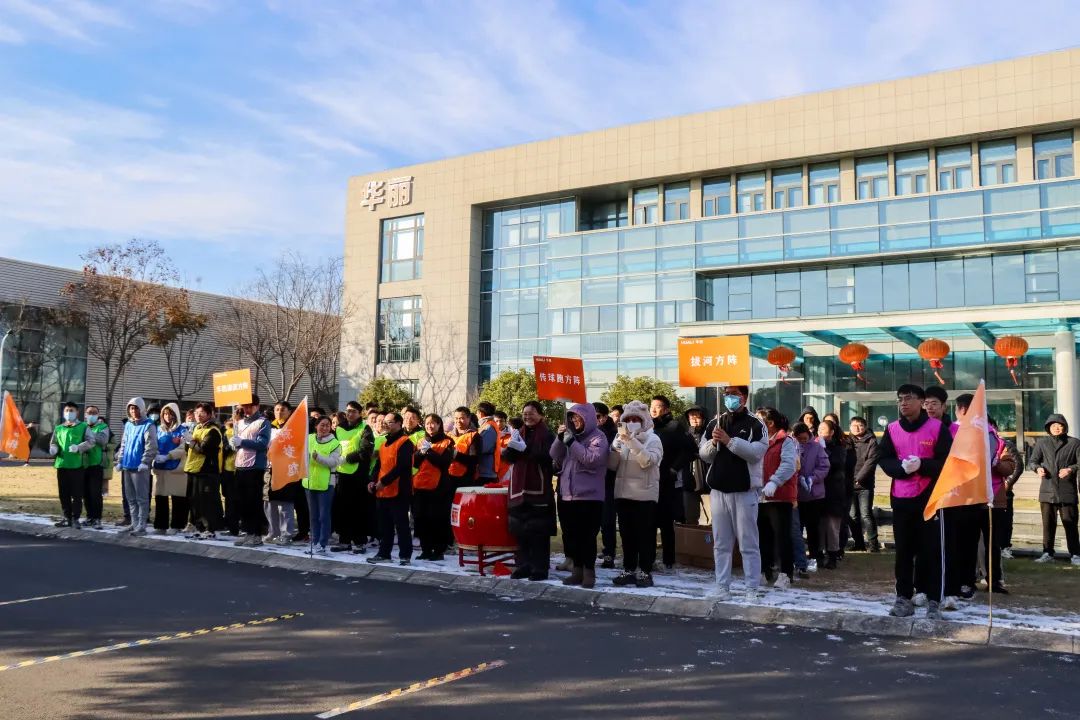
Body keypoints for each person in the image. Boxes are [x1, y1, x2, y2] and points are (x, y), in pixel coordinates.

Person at [877, 384, 952, 620]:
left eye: (909, 398)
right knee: (903, 551)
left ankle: (934, 600)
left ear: (921, 401)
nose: (904, 403)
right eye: (900, 399)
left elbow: (947, 462)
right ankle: (903, 598)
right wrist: (901, 468)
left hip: (930, 498)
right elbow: (884, 458)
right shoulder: (892, 429)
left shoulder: (937, 428)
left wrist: (923, 465)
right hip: (901, 498)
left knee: (931, 550)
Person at [699, 385, 766, 599]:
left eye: (734, 394)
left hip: (744, 491)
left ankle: (751, 588)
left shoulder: (756, 424)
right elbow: (703, 454)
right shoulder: (715, 423)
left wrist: (730, 441)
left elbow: (756, 453)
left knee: (748, 543)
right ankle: (722, 586)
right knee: (721, 543)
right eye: (726, 394)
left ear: (744, 397)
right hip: (719, 491)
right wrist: (713, 442)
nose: (729, 398)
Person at [550, 402, 609, 588]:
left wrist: (571, 443)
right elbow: (554, 454)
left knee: (587, 537)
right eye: (572, 418)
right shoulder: (571, 436)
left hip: (589, 497)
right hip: (568, 494)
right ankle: (577, 571)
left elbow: (591, 459)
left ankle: (589, 573)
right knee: (572, 536)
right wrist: (560, 438)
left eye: (578, 418)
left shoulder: (599, 437)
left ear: (588, 418)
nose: (575, 421)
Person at [609, 400, 663, 588]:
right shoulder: (621, 439)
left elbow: (647, 461)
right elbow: (612, 466)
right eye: (628, 419)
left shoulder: (653, 439)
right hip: (623, 494)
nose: (632, 423)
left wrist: (631, 442)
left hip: (645, 496)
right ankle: (629, 569)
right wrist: (614, 448)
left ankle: (645, 571)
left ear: (644, 420)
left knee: (645, 536)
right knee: (627, 535)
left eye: (636, 419)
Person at [504, 401, 556, 580]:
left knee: (538, 531)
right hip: (518, 489)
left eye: (532, 413)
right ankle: (523, 565)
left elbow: (549, 458)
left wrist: (526, 450)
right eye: (525, 414)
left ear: (541, 415)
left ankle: (540, 568)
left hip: (539, 489)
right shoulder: (519, 433)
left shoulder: (548, 435)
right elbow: (508, 458)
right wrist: (512, 448)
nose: (528, 417)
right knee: (521, 530)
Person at [650, 395, 698, 571]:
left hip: (668, 482)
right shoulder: (649, 428)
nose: (653, 409)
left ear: (666, 409)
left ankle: (668, 560)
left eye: (658, 406)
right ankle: (649, 558)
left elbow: (691, 450)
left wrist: (674, 468)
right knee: (649, 521)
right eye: (651, 406)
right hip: (650, 480)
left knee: (666, 522)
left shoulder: (675, 426)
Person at [1027, 412, 1080, 564]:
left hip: (1067, 490)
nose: (1056, 428)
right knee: (1048, 525)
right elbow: (1032, 461)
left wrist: (1070, 469)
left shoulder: (1074, 443)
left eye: (1059, 425)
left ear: (1065, 427)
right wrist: (1037, 468)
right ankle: (1047, 553)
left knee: (1070, 523)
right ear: (1048, 428)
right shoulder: (1042, 443)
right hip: (1047, 490)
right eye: (1053, 425)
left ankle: (1075, 554)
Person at [755, 407, 798, 589]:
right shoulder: (758, 441)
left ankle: (786, 573)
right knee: (762, 536)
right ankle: (764, 570)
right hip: (759, 496)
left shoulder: (786, 441)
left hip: (779, 496)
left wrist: (774, 481)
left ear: (770, 423)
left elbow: (789, 465)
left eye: (759, 420)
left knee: (782, 536)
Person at [368, 412, 415, 565]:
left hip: (399, 491)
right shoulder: (383, 444)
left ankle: (405, 556)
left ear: (399, 423)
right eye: (385, 422)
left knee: (401, 525)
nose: (385, 424)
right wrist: (373, 481)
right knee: (384, 525)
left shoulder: (405, 442)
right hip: (382, 491)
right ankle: (384, 553)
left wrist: (384, 481)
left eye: (389, 422)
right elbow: (378, 466)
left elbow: (402, 466)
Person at [332, 401, 375, 554]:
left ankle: (359, 542)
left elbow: (366, 451)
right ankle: (344, 541)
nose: (350, 414)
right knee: (342, 508)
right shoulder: (339, 428)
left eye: (354, 411)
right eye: (348, 411)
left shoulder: (365, 428)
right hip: (342, 475)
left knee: (358, 509)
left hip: (359, 475)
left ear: (360, 413)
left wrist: (347, 458)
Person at [114, 397, 158, 536]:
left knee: (141, 498)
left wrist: (145, 462)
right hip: (127, 466)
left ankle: (142, 525)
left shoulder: (149, 425)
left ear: (142, 409)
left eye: (136, 408)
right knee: (131, 498)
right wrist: (120, 461)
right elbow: (124, 444)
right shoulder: (128, 425)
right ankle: (134, 523)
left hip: (140, 467)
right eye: (131, 408)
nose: (133, 411)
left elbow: (151, 446)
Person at [231, 395, 271, 547]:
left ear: (257, 406)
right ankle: (248, 532)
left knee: (254, 502)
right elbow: (238, 443)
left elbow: (262, 443)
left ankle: (257, 534)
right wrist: (234, 443)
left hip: (255, 467)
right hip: (240, 465)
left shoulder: (263, 422)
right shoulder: (240, 422)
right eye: (245, 406)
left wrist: (242, 442)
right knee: (242, 502)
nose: (247, 409)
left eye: (250, 406)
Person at [412, 413, 453, 560]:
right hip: (420, 485)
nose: (430, 426)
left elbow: (444, 463)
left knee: (437, 519)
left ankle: (439, 551)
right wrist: (420, 453)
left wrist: (429, 451)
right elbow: (415, 462)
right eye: (428, 423)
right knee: (421, 518)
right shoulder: (421, 441)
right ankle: (426, 550)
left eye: (433, 423)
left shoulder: (447, 442)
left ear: (439, 425)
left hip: (439, 486)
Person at [49, 401, 94, 528]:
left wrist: (79, 447)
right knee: (63, 493)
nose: (69, 413)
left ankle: (75, 518)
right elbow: (54, 442)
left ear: (77, 412)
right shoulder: (59, 428)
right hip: (62, 464)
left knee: (77, 494)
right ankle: (66, 517)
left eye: (71, 410)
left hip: (76, 465)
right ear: (63, 413)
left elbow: (91, 441)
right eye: (67, 411)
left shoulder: (83, 426)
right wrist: (53, 448)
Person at [184, 402, 224, 540]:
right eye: (196, 413)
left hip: (207, 470)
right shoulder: (197, 428)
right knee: (195, 500)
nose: (198, 415)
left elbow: (204, 449)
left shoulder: (213, 430)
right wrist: (188, 442)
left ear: (209, 414)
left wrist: (191, 441)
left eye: (202, 413)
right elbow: (190, 448)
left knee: (207, 501)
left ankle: (210, 528)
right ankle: (199, 527)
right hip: (194, 469)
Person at [793, 422, 830, 570]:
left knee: (813, 527)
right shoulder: (792, 446)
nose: (803, 441)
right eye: (799, 439)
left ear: (809, 435)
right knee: (797, 528)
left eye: (805, 438)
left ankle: (816, 555)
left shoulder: (817, 447)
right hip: (797, 495)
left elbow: (824, 466)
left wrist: (812, 478)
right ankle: (799, 557)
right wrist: (798, 478)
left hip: (814, 494)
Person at [151, 403, 190, 535]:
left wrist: (168, 456)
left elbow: (184, 448)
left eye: (170, 414)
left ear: (176, 415)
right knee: (160, 497)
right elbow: (153, 443)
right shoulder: (158, 429)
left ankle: (177, 525)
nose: (167, 416)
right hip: (160, 468)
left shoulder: (183, 430)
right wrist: (155, 454)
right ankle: (160, 525)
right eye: (165, 414)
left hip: (176, 469)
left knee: (178, 498)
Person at [305, 416, 341, 554]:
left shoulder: (335, 443)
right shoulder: (308, 438)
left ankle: (322, 543)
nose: (325, 428)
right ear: (316, 426)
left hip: (326, 484)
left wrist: (318, 458)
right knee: (313, 516)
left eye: (327, 425)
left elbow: (333, 462)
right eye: (322, 425)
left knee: (323, 515)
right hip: (309, 482)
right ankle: (314, 542)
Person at [818, 419, 848, 570]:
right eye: (819, 429)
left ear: (831, 432)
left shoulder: (839, 448)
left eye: (823, 429)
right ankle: (819, 554)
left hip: (834, 491)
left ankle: (833, 556)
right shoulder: (815, 446)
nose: (820, 432)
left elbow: (837, 464)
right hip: (818, 491)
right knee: (820, 525)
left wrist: (824, 450)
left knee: (832, 526)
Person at [848, 416, 881, 552]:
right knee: (852, 516)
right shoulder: (847, 441)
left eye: (860, 425)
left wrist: (859, 478)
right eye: (854, 425)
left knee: (866, 514)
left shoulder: (872, 441)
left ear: (865, 427)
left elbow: (871, 462)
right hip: (849, 484)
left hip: (865, 485)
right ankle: (859, 543)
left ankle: (873, 544)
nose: (857, 428)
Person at [593, 401, 618, 569]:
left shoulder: (614, 433)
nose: (595, 420)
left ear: (604, 417)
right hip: (591, 482)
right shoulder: (585, 432)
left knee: (607, 521)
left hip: (609, 482)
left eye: (598, 416)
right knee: (590, 521)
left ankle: (609, 554)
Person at [681, 405, 711, 525]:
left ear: (703, 418)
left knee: (713, 519)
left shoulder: (709, 435)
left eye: (697, 416)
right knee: (690, 519)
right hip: (688, 483)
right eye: (691, 416)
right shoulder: (683, 435)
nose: (694, 419)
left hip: (707, 483)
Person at [82, 405, 110, 529]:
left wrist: (88, 435)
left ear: (98, 415)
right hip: (83, 464)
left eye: (94, 413)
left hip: (96, 464)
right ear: (85, 414)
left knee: (95, 493)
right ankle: (89, 517)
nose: (91, 415)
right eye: (89, 412)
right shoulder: (82, 426)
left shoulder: (103, 427)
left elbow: (102, 440)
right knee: (85, 493)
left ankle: (97, 518)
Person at [1000, 431, 1024, 559]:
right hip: (986, 491)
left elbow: (1018, 466)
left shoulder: (1006, 444)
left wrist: (1007, 483)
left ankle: (1005, 547)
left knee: (1006, 520)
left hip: (1004, 490)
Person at [448, 406, 478, 487]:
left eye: (461, 418)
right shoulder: (449, 435)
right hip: (448, 477)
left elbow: (474, 460)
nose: (458, 421)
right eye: (456, 418)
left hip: (465, 479)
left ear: (469, 418)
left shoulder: (474, 435)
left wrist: (455, 454)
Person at [221, 415, 239, 536]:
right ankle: (231, 525)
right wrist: (229, 447)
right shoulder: (226, 433)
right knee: (230, 499)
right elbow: (222, 450)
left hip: (242, 468)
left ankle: (238, 525)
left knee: (238, 500)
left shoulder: (246, 431)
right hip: (229, 469)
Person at [474, 402, 499, 484]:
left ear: (480, 413)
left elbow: (483, 448)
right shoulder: (488, 425)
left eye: (477, 413)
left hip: (486, 471)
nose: (476, 415)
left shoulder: (488, 427)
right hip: (485, 469)